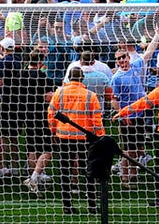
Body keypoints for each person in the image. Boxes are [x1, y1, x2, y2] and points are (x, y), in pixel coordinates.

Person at [48, 66, 103, 215]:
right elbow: (97, 118)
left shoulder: (59, 92)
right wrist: (100, 136)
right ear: (82, 78)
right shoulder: (90, 95)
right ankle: (92, 204)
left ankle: (67, 205)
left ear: (68, 77)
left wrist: (53, 130)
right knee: (89, 171)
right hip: (85, 137)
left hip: (64, 137)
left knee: (65, 171)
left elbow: (51, 113)